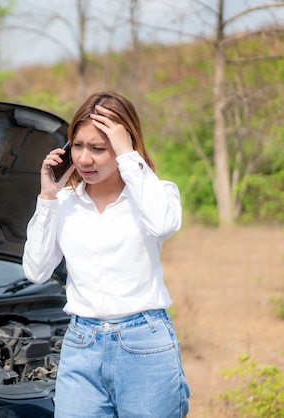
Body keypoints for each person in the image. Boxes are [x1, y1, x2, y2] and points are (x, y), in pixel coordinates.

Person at [22, 91, 190, 417]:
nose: (85, 159)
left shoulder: (155, 194)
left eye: (99, 148)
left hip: (144, 343)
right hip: (80, 345)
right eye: (78, 145)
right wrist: (48, 197)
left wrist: (128, 153)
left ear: (125, 145)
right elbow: (36, 271)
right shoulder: (63, 204)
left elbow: (164, 224)